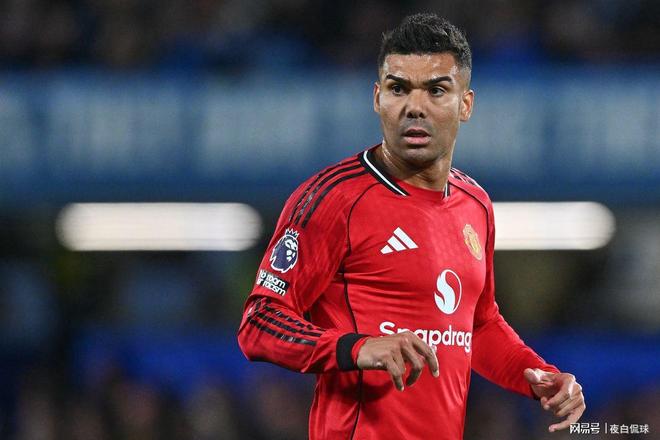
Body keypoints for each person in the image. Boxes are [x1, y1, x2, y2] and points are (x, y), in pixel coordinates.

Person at [237, 13, 585, 440]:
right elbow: (259, 323)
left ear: (465, 105)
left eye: (436, 90)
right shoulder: (333, 199)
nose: (414, 107)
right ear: (377, 98)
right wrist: (357, 347)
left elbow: (477, 325)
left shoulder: (475, 204)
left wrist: (537, 374)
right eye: (398, 88)